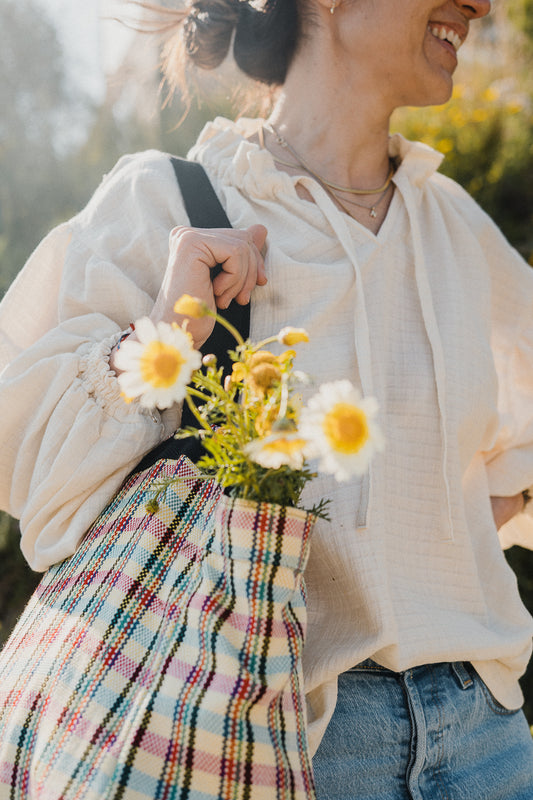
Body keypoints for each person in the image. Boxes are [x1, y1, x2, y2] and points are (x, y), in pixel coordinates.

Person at [0, 0, 532, 796]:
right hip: (271, 740)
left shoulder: (454, 227)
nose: (480, 5)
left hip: (485, 741)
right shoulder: (171, 203)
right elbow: (37, 477)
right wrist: (164, 333)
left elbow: (509, 464)